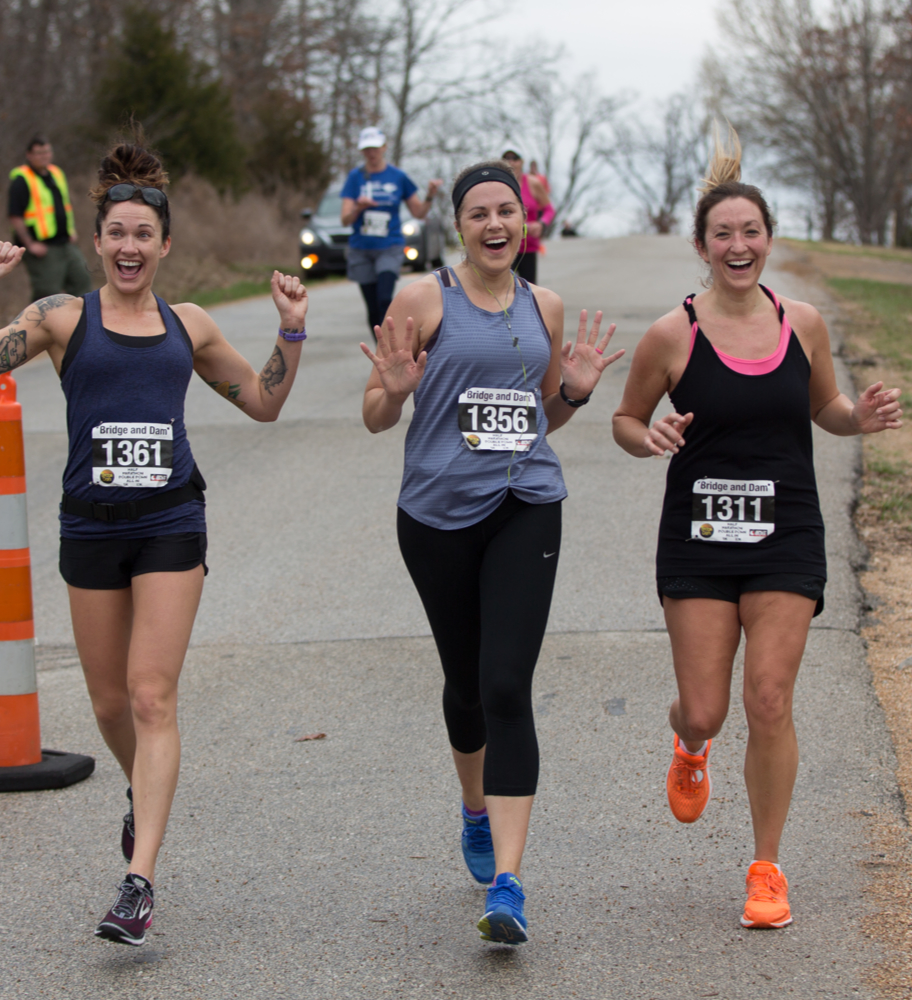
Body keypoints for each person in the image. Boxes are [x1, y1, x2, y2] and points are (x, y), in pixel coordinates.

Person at [0, 140, 309, 947]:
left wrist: (291, 331)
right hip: (90, 526)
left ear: (165, 244)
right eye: (118, 233)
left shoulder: (189, 325)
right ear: (98, 241)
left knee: (150, 697)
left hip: (170, 524)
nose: (130, 246)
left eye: (145, 234)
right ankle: (144, 793)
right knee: (110, 705)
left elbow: (263, 402)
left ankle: (139, 881)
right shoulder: (61, 318)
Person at [611, 127, 902, 929]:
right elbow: (626, 420)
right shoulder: (672, 334)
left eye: (751, 232)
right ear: (701, 247)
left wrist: (859, 418)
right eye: (723, 235)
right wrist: (649, 435)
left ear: (769, 239)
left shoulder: (802, 323)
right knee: (706, 709)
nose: (738, 246)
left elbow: (826, 407)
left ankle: (767, 869)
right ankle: (690, 744)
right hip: (699, 540)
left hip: (786, 533)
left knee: (769, 698)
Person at [360, 159, 623, 944]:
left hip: (526, 504)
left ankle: (507, 883)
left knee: (506, 684)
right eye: (479, 213)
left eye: (506, 210)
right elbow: (376, 413)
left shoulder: (546, 305)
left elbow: (541, 416)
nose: (495, 224)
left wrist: (572, 392)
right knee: (466, 684)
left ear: (525, 221)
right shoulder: (422, 300)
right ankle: (474, 808)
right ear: (459, 227)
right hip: (437, 515)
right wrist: (394, 390)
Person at [341, 126, 441, 334]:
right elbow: (344, 219)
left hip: (389, 246)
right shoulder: (355, 177)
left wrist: (430, 195)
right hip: (362, 249)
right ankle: (381, 349)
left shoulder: (398, 176)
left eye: (375, 148)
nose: (371, 153)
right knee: (372, 307)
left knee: (384, 299)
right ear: (362, 151)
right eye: (367, 149)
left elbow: (418, 213)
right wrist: (358, 208)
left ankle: (392, 343)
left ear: (384, 147)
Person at [8, 135, 91, 300]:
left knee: (82, 281)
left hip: (66, 243)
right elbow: (15, 216)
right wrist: (30, 244)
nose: (44, 156)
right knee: (47, 292)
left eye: (46, 152)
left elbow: (64, 205)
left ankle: (84, 316)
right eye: (39, 153)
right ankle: (37, 318)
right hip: (43, 248)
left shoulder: (56, 173)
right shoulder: (22, 180)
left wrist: (71, 231)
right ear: (29, 155)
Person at [501, 150, 554, 284]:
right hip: (504, 245)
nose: (511, 162)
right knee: (504, 289)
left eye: (515, 158)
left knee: (528, 289)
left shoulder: (533, 183)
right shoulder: (497, 185)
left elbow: (549, 209)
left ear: (522, 162)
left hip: (527, 246)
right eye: (506, 158)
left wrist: (541, 224)